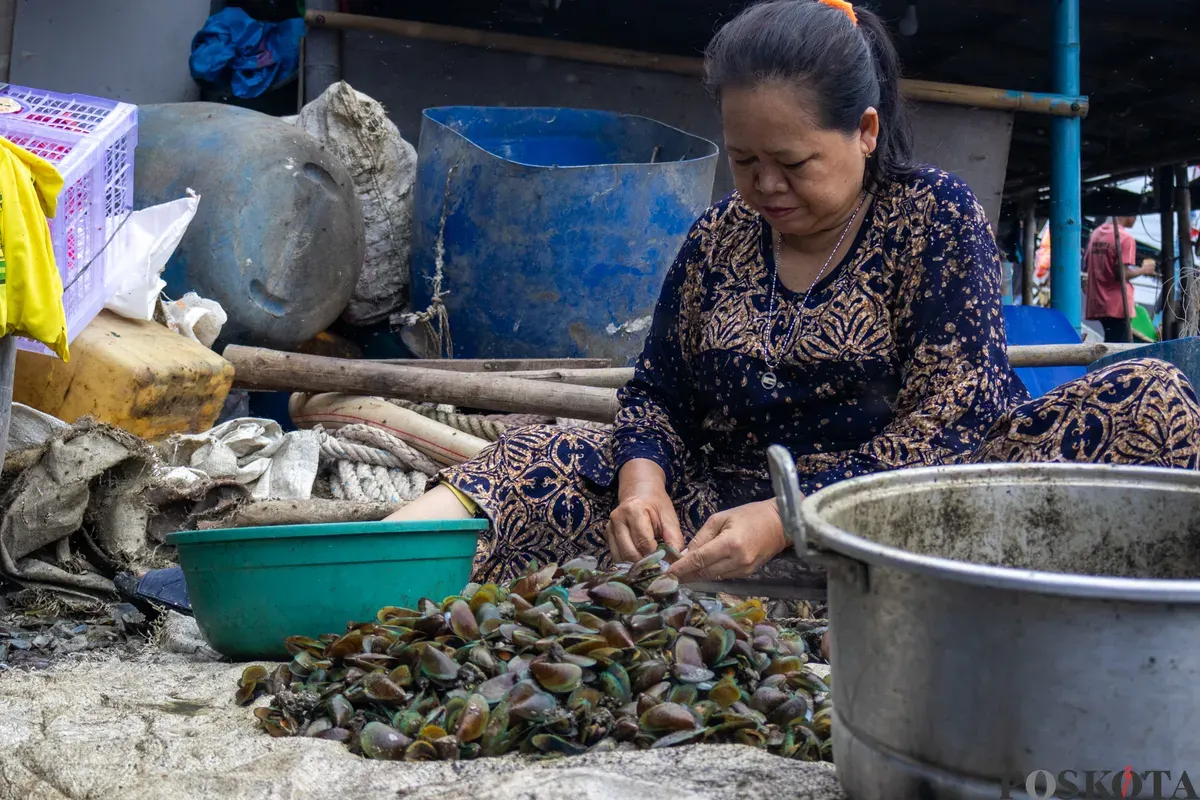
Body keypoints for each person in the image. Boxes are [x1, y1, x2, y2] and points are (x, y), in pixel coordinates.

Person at [389, 0, 1200, 586]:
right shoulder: (716, 240)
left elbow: (955, 423)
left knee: (1147, 399)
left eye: (795, 162)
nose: (765, 185)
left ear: (866, 132)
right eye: (744, 161)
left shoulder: (933, 216)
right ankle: (357, 569)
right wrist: (642, 481)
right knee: (546, 449)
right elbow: (656, 394)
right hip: (722, 507)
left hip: (909, 512)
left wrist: (792, 517)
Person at [1083, 215, 1157, 343]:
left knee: (1111, 340)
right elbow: (1121, 274)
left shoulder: (1097, 233)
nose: (1135, 219)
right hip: (1117, 305)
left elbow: (1088, 266)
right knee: (1118, 345)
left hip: (1099, 302)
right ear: (1127, 214)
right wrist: (1143, 270)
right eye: (1134, 215)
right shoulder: (1125, 238)